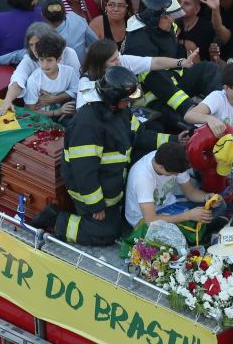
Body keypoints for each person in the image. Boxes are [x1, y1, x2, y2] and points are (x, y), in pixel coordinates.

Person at [32, 66, 170, 244]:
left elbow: (140, 135)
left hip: (112, 183)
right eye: (126, 100)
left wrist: (173, 141)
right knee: (107, 233)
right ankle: (56, 221)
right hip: (91, 192)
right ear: (113, 97)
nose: (128, 103)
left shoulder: (119, 111)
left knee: (120, 224)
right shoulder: (86, 125)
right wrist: (95, 205)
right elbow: (84, 173)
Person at [124, 141, 215, 228]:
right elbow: (151, 221)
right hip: (143, 219)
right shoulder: (142, 178)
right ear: (161, 167)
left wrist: (207, 197)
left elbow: (190, 192)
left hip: (168, 205)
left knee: (210, 211)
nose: (176, 175)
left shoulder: (174, 160)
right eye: (173, 173)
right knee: (191, 224)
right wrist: (188, 216)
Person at [183, 62, 233, 141]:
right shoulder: (217, 97)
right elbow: (189, 115)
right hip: (210, 146)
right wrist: (210, 119)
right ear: (226, 88)